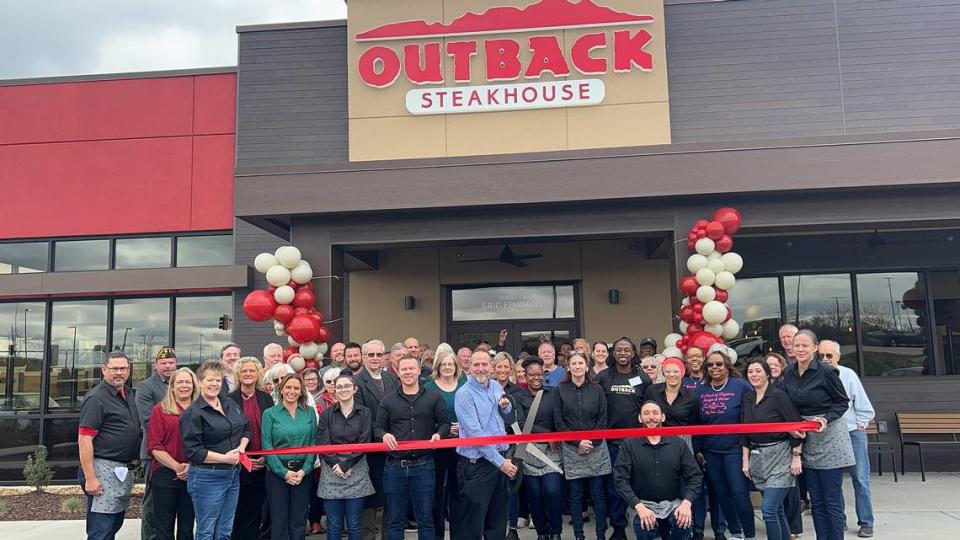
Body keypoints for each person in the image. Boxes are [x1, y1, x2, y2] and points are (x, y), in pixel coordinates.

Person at [781, 330, 853, 540]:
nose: (801, 349)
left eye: (805, 345)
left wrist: (824, 419)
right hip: (806, 437)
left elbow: (842, 402)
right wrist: (792, 425)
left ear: (815, 348)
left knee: (831, 499)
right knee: (816, 500)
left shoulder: (827, 372)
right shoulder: (789, 373)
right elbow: (788, 404)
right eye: (797, 345)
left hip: (829, 434)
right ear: (792, 349)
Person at [375, 354, 450, 540]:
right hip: (394, 467)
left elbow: (445, 423)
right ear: (398, 373)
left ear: (419, 371)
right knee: (395, 520)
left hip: (424, 466)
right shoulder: (388, 400)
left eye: (411, 368)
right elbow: (377, 428)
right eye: (404, 369)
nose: (407, 372)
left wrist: (439, 434)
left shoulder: (433, 397)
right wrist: (384, 435)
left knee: (425, 519)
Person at [181, 361, 250, 540]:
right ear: (200, 382)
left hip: (233, 475)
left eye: (218, 380)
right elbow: (194, 451)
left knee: (225, 530)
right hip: (207, 478)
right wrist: (224, 458)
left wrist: (241, 448)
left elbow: (246, 428)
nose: (214, 384)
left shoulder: (229, 403)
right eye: (209, 380)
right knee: (206, 531)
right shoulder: (193, 413)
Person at [613, 401, 703, 540]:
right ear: (639, 418)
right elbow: (620, 480)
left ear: (663, 417)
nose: (651, 417)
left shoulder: (678, 443)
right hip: (641, 504)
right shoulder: (628, 444)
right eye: (646, 413)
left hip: (674, 503)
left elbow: (696, 476)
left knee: (684, 522)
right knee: (644, 524)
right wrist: (639, 507)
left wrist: (686, 504)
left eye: (655, 413)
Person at [78, 351, 142, 540]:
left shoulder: (129, 394)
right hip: (101, 470)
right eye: (114, 368)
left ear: (129, 371)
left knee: (114, 524)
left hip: (122, 470)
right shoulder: (96, 398)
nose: (119, 373)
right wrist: (91, 478)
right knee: (101, 530)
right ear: (104, 370)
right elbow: (84, 440)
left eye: (123, 368)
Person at [455, 350, 518, 540]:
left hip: (499, 462)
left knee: (497, 522)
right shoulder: (464, 394)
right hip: (478, 466)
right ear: (469, 367)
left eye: (484, 364)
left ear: (490, 366)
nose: (481, 369)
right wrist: (501, 462)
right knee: (472, 525)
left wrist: (506, 407)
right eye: (476, 365)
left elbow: (508, 418)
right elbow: (476, 435)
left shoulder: (496, 387)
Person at [694, 347, 755, 540]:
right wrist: (698, 449)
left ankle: (750, 534)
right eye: (710, 364)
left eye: (719, 364)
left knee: (738, 493)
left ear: (727, 366)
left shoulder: (741, 386)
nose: (714, 367)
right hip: (711, 450)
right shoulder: (700, 390)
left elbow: (750, 416)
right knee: (721, 494)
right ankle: (736, 532)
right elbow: (696, 422)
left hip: (734, 449)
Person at [740, 359, 805, 540]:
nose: (754, 374)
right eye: (750, 371)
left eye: (758, 371)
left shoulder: (778, 396)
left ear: (767, 374)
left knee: (768, 510)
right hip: (757, 458)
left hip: (780, 457)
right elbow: (743, 431)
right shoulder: (747, 397)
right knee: (777, 511)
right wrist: (745, 461)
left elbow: (797, 427)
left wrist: (796, 456)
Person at [818, 340, 875, 538]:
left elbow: (865, 407)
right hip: (828, 435)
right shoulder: (814, 376)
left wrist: (860, 424)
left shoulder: (848, 375)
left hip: (852, 433)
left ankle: (866, 522)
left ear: (838, 356)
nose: (824, 359)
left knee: (860, 479)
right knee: (834, 482)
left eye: (829, 356)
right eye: (821, 356)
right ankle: (838, 521)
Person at [598, 337, 652, 540]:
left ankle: (646, 524)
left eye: (626, 350)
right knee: (614, 487)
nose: (622, 353)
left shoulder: (643, 378)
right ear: (613, 353)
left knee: (640, 484)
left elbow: (649, 410)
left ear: (633, 353)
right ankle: (619, 528)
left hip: (637, 443)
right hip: (612, 443)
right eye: (619, 350)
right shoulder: (603, 377)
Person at [555, 353, 610, 540]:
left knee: (598, 494)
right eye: (574, 363)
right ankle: (579, 535)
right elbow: (559, 421)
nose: (577, 366)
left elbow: (603, 419)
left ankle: (601, 534)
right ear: (568, 368)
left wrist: (590, 443)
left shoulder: (597, 389)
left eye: (581, 363)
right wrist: (577, 442)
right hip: (572, 449)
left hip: (596, 447)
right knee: (576, 495)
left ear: (587, 367)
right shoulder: (560, 389)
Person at [317, 373, 376, 540]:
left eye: (347, 386)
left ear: (354, 389)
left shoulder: (365, 413)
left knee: (355, 522)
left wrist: (346, 465)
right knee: (334, 524)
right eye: (339, 387)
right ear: (334, 390)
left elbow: (364, 441)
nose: (343, 390)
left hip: (356, 468)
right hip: (331, 469)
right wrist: (337, 465)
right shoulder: (327, 414)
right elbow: (322, 442)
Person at [262, 374, 318, 540]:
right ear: (281, 389)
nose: (291, 391)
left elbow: (313, 442)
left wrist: (304, 470)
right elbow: (267, 445)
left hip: (302, 472)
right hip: (277, 474)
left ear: (301, 391)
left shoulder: (309, 413)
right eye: (288, 387)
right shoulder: (270, 414)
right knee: (279, 520)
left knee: (299, 519)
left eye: (296, 388)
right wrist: (283, 472)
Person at [147, 367, 199, 540]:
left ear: (194, 385)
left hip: (195, 474)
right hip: (165, 474)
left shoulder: (202, 410)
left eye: (188, 382)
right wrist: (177, 467)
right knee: (164, 527)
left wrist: (191, 467)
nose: (184, 386)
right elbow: (155, 446)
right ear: (172, 386)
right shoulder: (159, 410)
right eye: (180, 382)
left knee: (187, 527)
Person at [354, 339, 398, 540]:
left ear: (384, 357)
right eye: (370, 355)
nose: (375, 358)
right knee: (370, 495)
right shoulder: (357, 381)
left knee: (391, 493)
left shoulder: (391, 379)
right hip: (371, 446)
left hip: (393, 446)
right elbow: (361, 416)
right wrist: (381, 433)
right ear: (363, 357)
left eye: (379, 355)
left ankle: (389, 535)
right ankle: (369, 536)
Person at [516, 357, 564, 540]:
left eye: (539, 374)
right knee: (534, 495)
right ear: (525, 377)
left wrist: (556, 435)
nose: (536, 378)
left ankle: (556, 531)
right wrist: (546, 434)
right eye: (531, 374)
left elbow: (560, 418)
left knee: (552, 492)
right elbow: (521, 424)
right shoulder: (519, 397)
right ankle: (542, 533)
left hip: (552, 451)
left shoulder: (554, 393)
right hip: (529, 451)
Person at [227, 357, 273, 540]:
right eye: (244, 371)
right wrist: (245, 460)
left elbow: (272, 430)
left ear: (258, 374)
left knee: (257, 508)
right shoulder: (229, 400)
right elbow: (228, 433)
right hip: (238, 463)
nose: (248, 374)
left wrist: (266, 457)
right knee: (239, 509)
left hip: (263, 461)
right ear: (238, 374)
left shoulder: (266, 398)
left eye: (252, 371)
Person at [137, 347, 179, 540]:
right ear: (156, 366)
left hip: (181, 454)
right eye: (163, 363)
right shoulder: (147, 387)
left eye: (171, 362)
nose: (168, 366)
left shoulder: (183, 384)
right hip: (155, 454)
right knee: (153, 502)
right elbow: (147, 421)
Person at [424, 350, 465, 540]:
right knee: (437, 493)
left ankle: (458, 534)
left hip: (462, 446)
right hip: (437, 446)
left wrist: (462, 427)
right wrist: (444, 430)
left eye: (451, 364)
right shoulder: (429, 387)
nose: (447, 367)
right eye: (444, 364)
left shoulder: (464, 385)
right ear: (438, 367)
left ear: (456, 367)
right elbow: (424, 416)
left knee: (458, 492)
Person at [644, 357, 699, 430]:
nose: (672, 375)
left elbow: (694, 425)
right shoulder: (652, 391)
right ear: (663, 373)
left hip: (682, 438)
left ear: (682, 373)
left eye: (676, 371)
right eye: (668, 371)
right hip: (656, 436)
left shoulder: (691, 396)